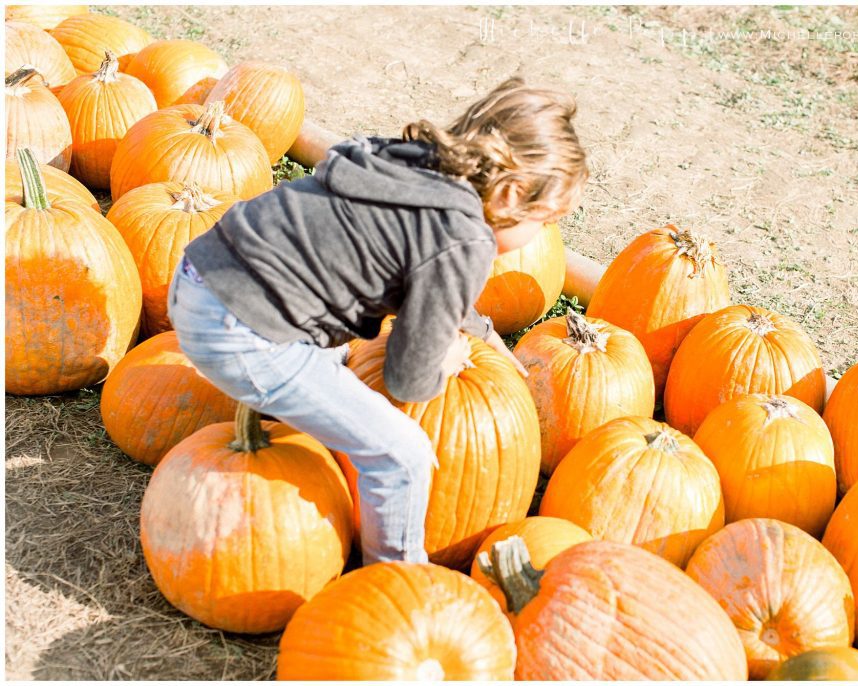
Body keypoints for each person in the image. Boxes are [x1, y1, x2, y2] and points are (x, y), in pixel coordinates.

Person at [166, 76, 589, 565]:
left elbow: (420, 273)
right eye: (547, 219)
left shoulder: (409, 165)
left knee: (338, 363)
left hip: (202, 275)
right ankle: (395, 573)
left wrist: (480, 331)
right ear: (512, 195)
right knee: (400, 453)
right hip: (243, 332)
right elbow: (409, 381)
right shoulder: (465, 237)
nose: (544, 233)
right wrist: (448, 356)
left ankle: (301, 436)